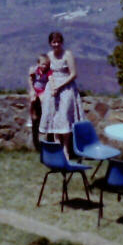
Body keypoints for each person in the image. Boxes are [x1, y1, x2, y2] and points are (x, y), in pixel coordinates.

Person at [38, 31, 83, 159]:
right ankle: (57, 149)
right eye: (54, 42)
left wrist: (60, 86)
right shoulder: (49, 56)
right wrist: (50, 87)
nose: (56, 44)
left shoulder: (67, 54)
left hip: (66, 88)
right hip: (52, 90)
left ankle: (66, 149)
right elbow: (46, 73)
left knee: (64, 117)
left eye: (58, 42)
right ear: (50, 43)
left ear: (62, 42)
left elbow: (73, 74)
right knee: (54, 118)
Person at [27, 52, 51, 151]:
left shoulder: (48, 72)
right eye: (42, 64)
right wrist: (32, 90)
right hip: (36, 89)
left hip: (44, 90)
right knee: (32, 99)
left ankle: (44, 118)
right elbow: (31, 80)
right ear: (38, 63)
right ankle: (31, 116)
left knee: (43, 99)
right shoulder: (35, 71)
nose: (44, 66)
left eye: (46, 64)